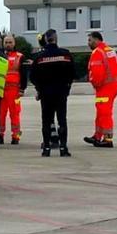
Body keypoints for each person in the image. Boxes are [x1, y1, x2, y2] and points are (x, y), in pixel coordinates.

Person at [30, 29, 75, 157]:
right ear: (56, 39)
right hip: (61, 93)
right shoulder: (66, 55)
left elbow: (33, 77)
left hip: (45, 94)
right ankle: (63, 148)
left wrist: (39, 88)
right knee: (62, 120)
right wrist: (67, 88)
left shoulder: (39, 58)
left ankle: (47, 148)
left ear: (45, 40)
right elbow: (72, 74)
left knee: (46, 121)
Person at [84, 31, 117, 148]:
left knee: (104, 113)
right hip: (113, 85)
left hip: (104, 87)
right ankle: (97, 136)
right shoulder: (110, 50)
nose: (88, 43)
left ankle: (107, 139)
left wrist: (96, 84)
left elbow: (96, 72)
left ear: (96, 40)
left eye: (90, 40)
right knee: (101, 112)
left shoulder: (97, 53)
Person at [0, 34, 30, 145]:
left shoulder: (20, 56)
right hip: (1, 90)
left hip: (15, 91)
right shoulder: (0, 56)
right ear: (3, 43)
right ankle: (0, 135)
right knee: (0, 114)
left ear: (14, 43)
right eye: (6, 42)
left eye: (10, 42)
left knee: (15, 114)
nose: (8, 44)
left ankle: (16, 136)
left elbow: (24, 74)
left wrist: (22, 89)